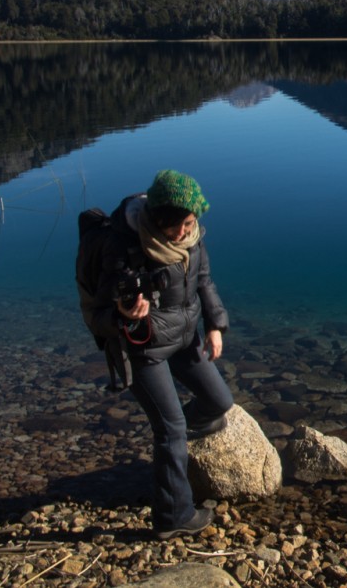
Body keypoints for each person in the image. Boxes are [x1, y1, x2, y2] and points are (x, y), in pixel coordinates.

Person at [94, 169, 234, 540]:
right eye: (179, 225)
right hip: (144, 352)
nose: (185, 231)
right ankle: (172, 517)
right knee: (169, 430)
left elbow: (203, 281)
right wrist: (123, 315)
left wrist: (215, 325)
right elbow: (100, 311)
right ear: (158, 219)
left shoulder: (192, 239)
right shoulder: (124, 246)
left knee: (219, 403)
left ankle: (172, 447)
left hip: (185, 341)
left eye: (191, 223)